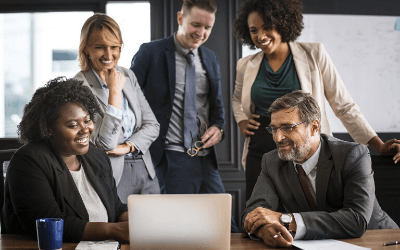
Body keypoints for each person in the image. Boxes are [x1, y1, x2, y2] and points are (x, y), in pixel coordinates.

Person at [232, 0, 400, 201]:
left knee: (304, 215)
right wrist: (242, 120)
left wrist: (378, 145)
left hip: (303, 150)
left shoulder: (314, 54)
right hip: (259, 150)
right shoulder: (245, 65)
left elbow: (343, 105)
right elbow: (236, 100)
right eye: (253, 30)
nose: (260, 36)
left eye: (267, 27)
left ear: (284, 22)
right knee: (259, 212)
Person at [131, 0, 239, 232]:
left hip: (206, 158)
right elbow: (128, 102)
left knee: (225, 228)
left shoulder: (210, 58)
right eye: (196, 25)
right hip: (169, 157)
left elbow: (217, 107)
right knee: (178, 229)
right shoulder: (150, 53)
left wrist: (219, 129)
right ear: (180, 19)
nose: (201, 33)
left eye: (207, 28)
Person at [242, 90, 398, 248]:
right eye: (274, 129)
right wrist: (265, 230)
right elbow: (253, 212)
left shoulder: (352, 155)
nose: (278, 137)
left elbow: (356, 219)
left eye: (287, 127)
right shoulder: (272, 161)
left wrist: (286, 220)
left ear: (314, 127)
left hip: (378, 241)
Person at [3, 77, 129, 243]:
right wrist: (114, 231)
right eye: (73, 125)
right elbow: (49, 222)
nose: (85, 130)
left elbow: (116, 208)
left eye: (87, 120)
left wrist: (139, 222)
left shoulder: (96, 155)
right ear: (49, 129)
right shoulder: (28, 161)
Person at [74, 13, 160, 203]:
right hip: (112, 174)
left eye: (115, 47)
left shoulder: (128, 75)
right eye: (100, 47)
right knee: (119, 231)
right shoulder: (78, 86)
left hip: (145, 169)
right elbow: (105, 144)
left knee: (155, 230)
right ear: (86, 49)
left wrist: (128, 146)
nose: (109, 54)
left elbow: (152, 125)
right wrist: (114, 93)